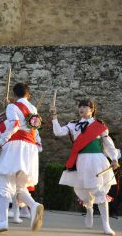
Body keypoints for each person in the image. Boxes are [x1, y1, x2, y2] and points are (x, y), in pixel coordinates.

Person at [50, 99, 120, 235]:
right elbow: (58, 132)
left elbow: (108, 144)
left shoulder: (100, 126)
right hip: (81, 161)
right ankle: (89, 208)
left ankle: (106, 226)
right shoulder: (73, 125)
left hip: (97, 161)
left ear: (92, 109)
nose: (81, 109)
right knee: (83, 191)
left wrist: (114, 159)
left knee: (99, 192)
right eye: (80, 107)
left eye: (84, 106)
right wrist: (54, 116)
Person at [0, 83, 44, 233]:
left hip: (15, 145)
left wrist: (1, 141)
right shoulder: (33, 109)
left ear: (14, 94)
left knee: (3, 181)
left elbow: (15, 124)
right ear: (28, 95)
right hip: (30, 147)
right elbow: (34, 130)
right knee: (19, 186)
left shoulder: (12, 107)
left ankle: (4, 221)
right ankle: (33, 205)